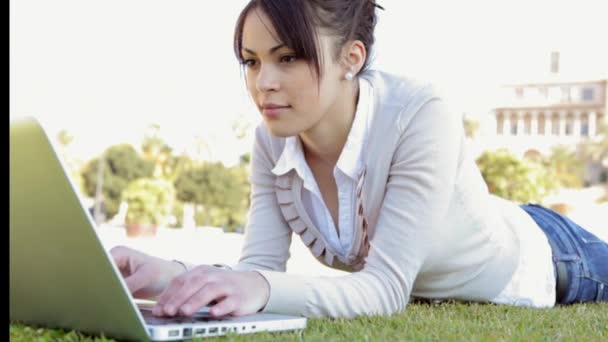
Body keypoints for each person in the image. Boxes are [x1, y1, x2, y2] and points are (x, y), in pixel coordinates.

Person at [111, 0, 608, 319]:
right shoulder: (273, 141)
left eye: (288, 58)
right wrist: (170, 276)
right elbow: (259, 270)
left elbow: (386, 290)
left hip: (553, 256)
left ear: (353, 58)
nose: (263, 83)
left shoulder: (420, 113)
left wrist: (257, 287)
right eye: (252, 61)